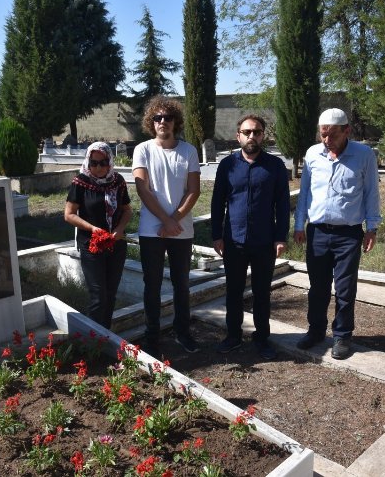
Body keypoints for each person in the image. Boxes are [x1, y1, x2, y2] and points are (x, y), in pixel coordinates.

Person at [293, 108, 381, 360]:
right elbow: (305, 192)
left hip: (348, 235)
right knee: (317, 287)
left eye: (333, 135)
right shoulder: (313, 154)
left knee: (345, 288)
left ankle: (342, 335)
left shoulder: (363, 155)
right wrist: (299, 224)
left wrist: (372, 228)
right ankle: (316, 330)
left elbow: (371, 192)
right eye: (323, 135)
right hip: (318, 232)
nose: (327, 140)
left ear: (347, 131)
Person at [211, 115, 290, 360]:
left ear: (263, 135)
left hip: (264, 241)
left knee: (262, 293)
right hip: (233, 240)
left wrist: (280, 237)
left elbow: (282, 204)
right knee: (233, 291)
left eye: (256, 132)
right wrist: (216, 235)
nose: (251, 136)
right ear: (238, 136)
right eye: (247, 132)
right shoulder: (227, 165)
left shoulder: (275, 166)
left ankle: (262, 338)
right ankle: (233, 336)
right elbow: (217, 201)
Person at [132, 96, 201, 355]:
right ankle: (152, 337)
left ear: (175, 121)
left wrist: (175, 219)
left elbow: (193, 190)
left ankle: (183, 332)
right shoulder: (143, 150)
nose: (163, 121)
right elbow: (143, 189)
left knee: (181, 283)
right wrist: (166, 220)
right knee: (152, 285)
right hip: (152, 229)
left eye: (168, 117)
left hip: (181, 230)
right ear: (151, 122)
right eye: (157, 118)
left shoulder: (189, 151)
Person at [64, 142, 132, 330]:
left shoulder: (118, 181)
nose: (98, 167)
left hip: (116, 244)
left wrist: (120, 229)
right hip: (91, 245)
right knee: (98, 296)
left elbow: (127, 210)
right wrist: (92, 228)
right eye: (94, 163)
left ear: (110, 162)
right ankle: (93, 338)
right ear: (88, 162)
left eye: (103, 163)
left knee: (110, 294)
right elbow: (69, 214)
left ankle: (106, 335)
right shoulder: (81, 182)